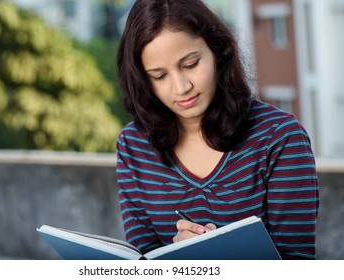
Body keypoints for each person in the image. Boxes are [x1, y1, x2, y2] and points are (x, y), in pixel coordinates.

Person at [116, 0, 319, 260]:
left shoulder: (280, 138)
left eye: (190, 64)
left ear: (217, 51)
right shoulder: (133, 146)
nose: (181, 88)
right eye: (159, 76)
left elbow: (297, 264)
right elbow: (142, 258)